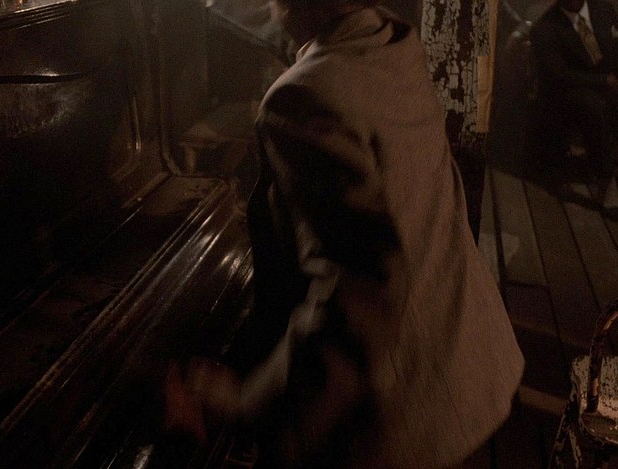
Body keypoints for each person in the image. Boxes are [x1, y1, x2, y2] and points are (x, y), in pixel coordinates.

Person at [165, 0, 524, 467]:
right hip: (464, 366)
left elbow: (361, 292)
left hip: (400, 415)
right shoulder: (392, 41)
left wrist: (240, 403)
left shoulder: (303, 99)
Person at [529, 0, 618, 221]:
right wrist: (603, 81)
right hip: (572, 91)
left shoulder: (602, 8)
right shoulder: (545, 27)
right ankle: (607, 182)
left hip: (611, 82)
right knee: (592, 106)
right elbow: (559, 75)